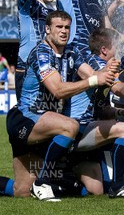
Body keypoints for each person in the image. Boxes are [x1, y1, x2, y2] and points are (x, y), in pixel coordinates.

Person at [5, 11, 116, 201]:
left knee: (21, 190)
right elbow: (57, 90)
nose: (64, 31)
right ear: (48, 29)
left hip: (47, 123)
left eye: (67, 27)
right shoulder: (42, 52)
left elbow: (91, 74)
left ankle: (44, 183)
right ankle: (43, 183)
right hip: (25, 119)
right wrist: (94, 80)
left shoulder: (71, 52)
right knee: (70, 125)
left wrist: (107, 72)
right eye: (59, 27)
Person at [68, 28, 124, 198]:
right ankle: (119, 187)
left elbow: (102, 109)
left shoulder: (101, 66)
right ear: (104, 50)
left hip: (87, 130)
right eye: (117, 46)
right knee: (123, 129)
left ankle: (63, 176)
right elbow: (121, 90)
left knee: (95, 190)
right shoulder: (96, 65)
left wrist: (121, 112)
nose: (120, 51)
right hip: (76, 129)